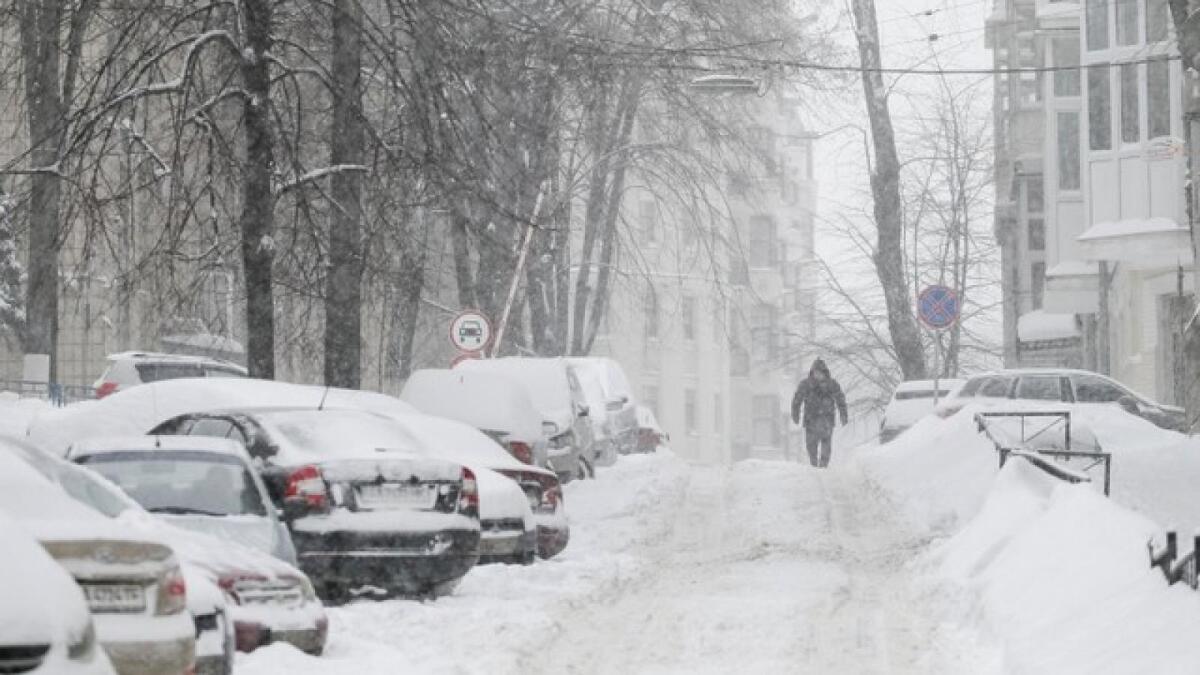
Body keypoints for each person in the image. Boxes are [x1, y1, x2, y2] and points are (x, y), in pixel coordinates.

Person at [790, 358, 848, 468]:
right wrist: (795, 414)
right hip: (810, 421)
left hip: (827, 420)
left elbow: (841, 400)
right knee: (811, 447)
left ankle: (823, 466)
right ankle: (814, 466)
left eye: (820, 372)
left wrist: (843, 415)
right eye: (815, 372)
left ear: (824, 372)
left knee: (826, 446)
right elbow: (797, 400)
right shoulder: (806, 384)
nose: (818, 375)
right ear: (812, 372)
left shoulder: (832, 384)